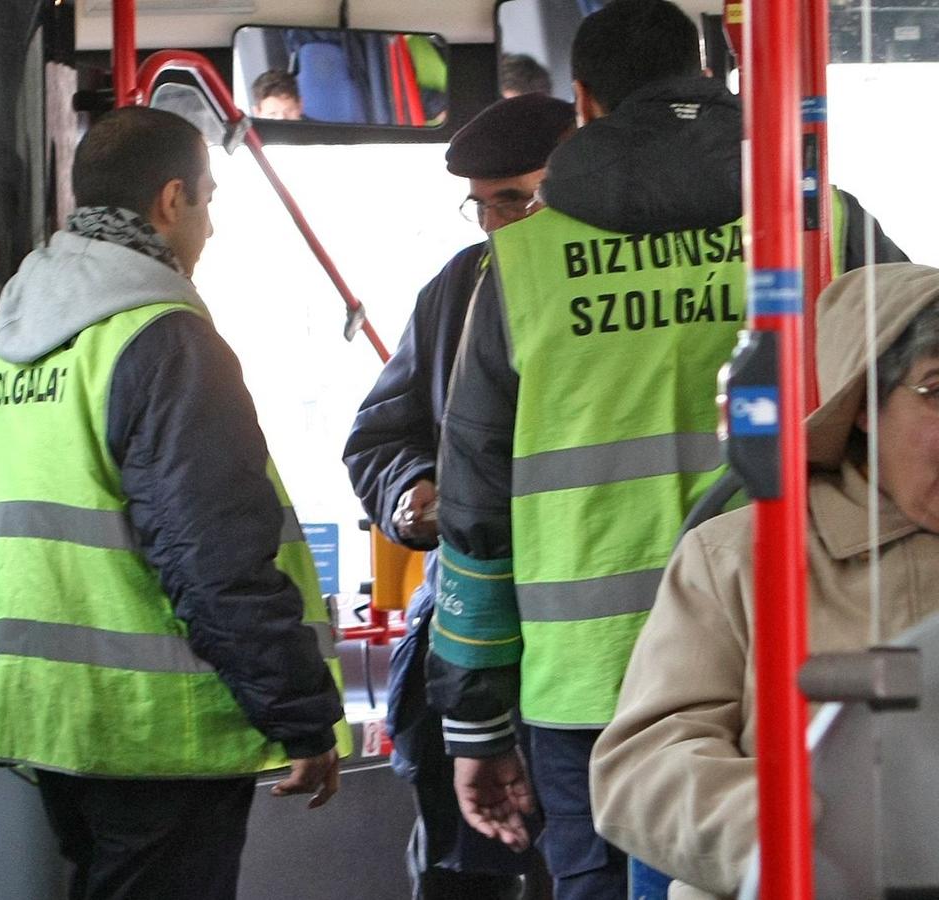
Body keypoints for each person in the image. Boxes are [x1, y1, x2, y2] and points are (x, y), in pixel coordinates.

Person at [424, 2, 907, 897]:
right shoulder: (824, 224)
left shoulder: (520, 264)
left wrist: (476, 720)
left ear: (583, 101)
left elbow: (476, 506)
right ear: (712, 76)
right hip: (792, 646)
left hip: (591, 675)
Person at [0, 106, 349, 900]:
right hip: (155, 723)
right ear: (172, 201)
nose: (212, 227)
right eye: (209, 199)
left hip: (42, 713)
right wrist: (301, 712)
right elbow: (212, 556)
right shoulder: (162, 338)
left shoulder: (5, 344)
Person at [590, 263, 939, 900]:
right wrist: (801, 841)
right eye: (937, 388)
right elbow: (643, 768)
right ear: (863, 404)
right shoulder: (736, 558)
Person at [345, 92, 576, 900]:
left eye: (515, 199)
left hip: (584, 643)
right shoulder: (458, 288)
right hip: (467, 638)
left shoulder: (607, 286)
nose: (494, 225)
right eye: (479, 207)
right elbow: (378, 436)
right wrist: (412, 496)